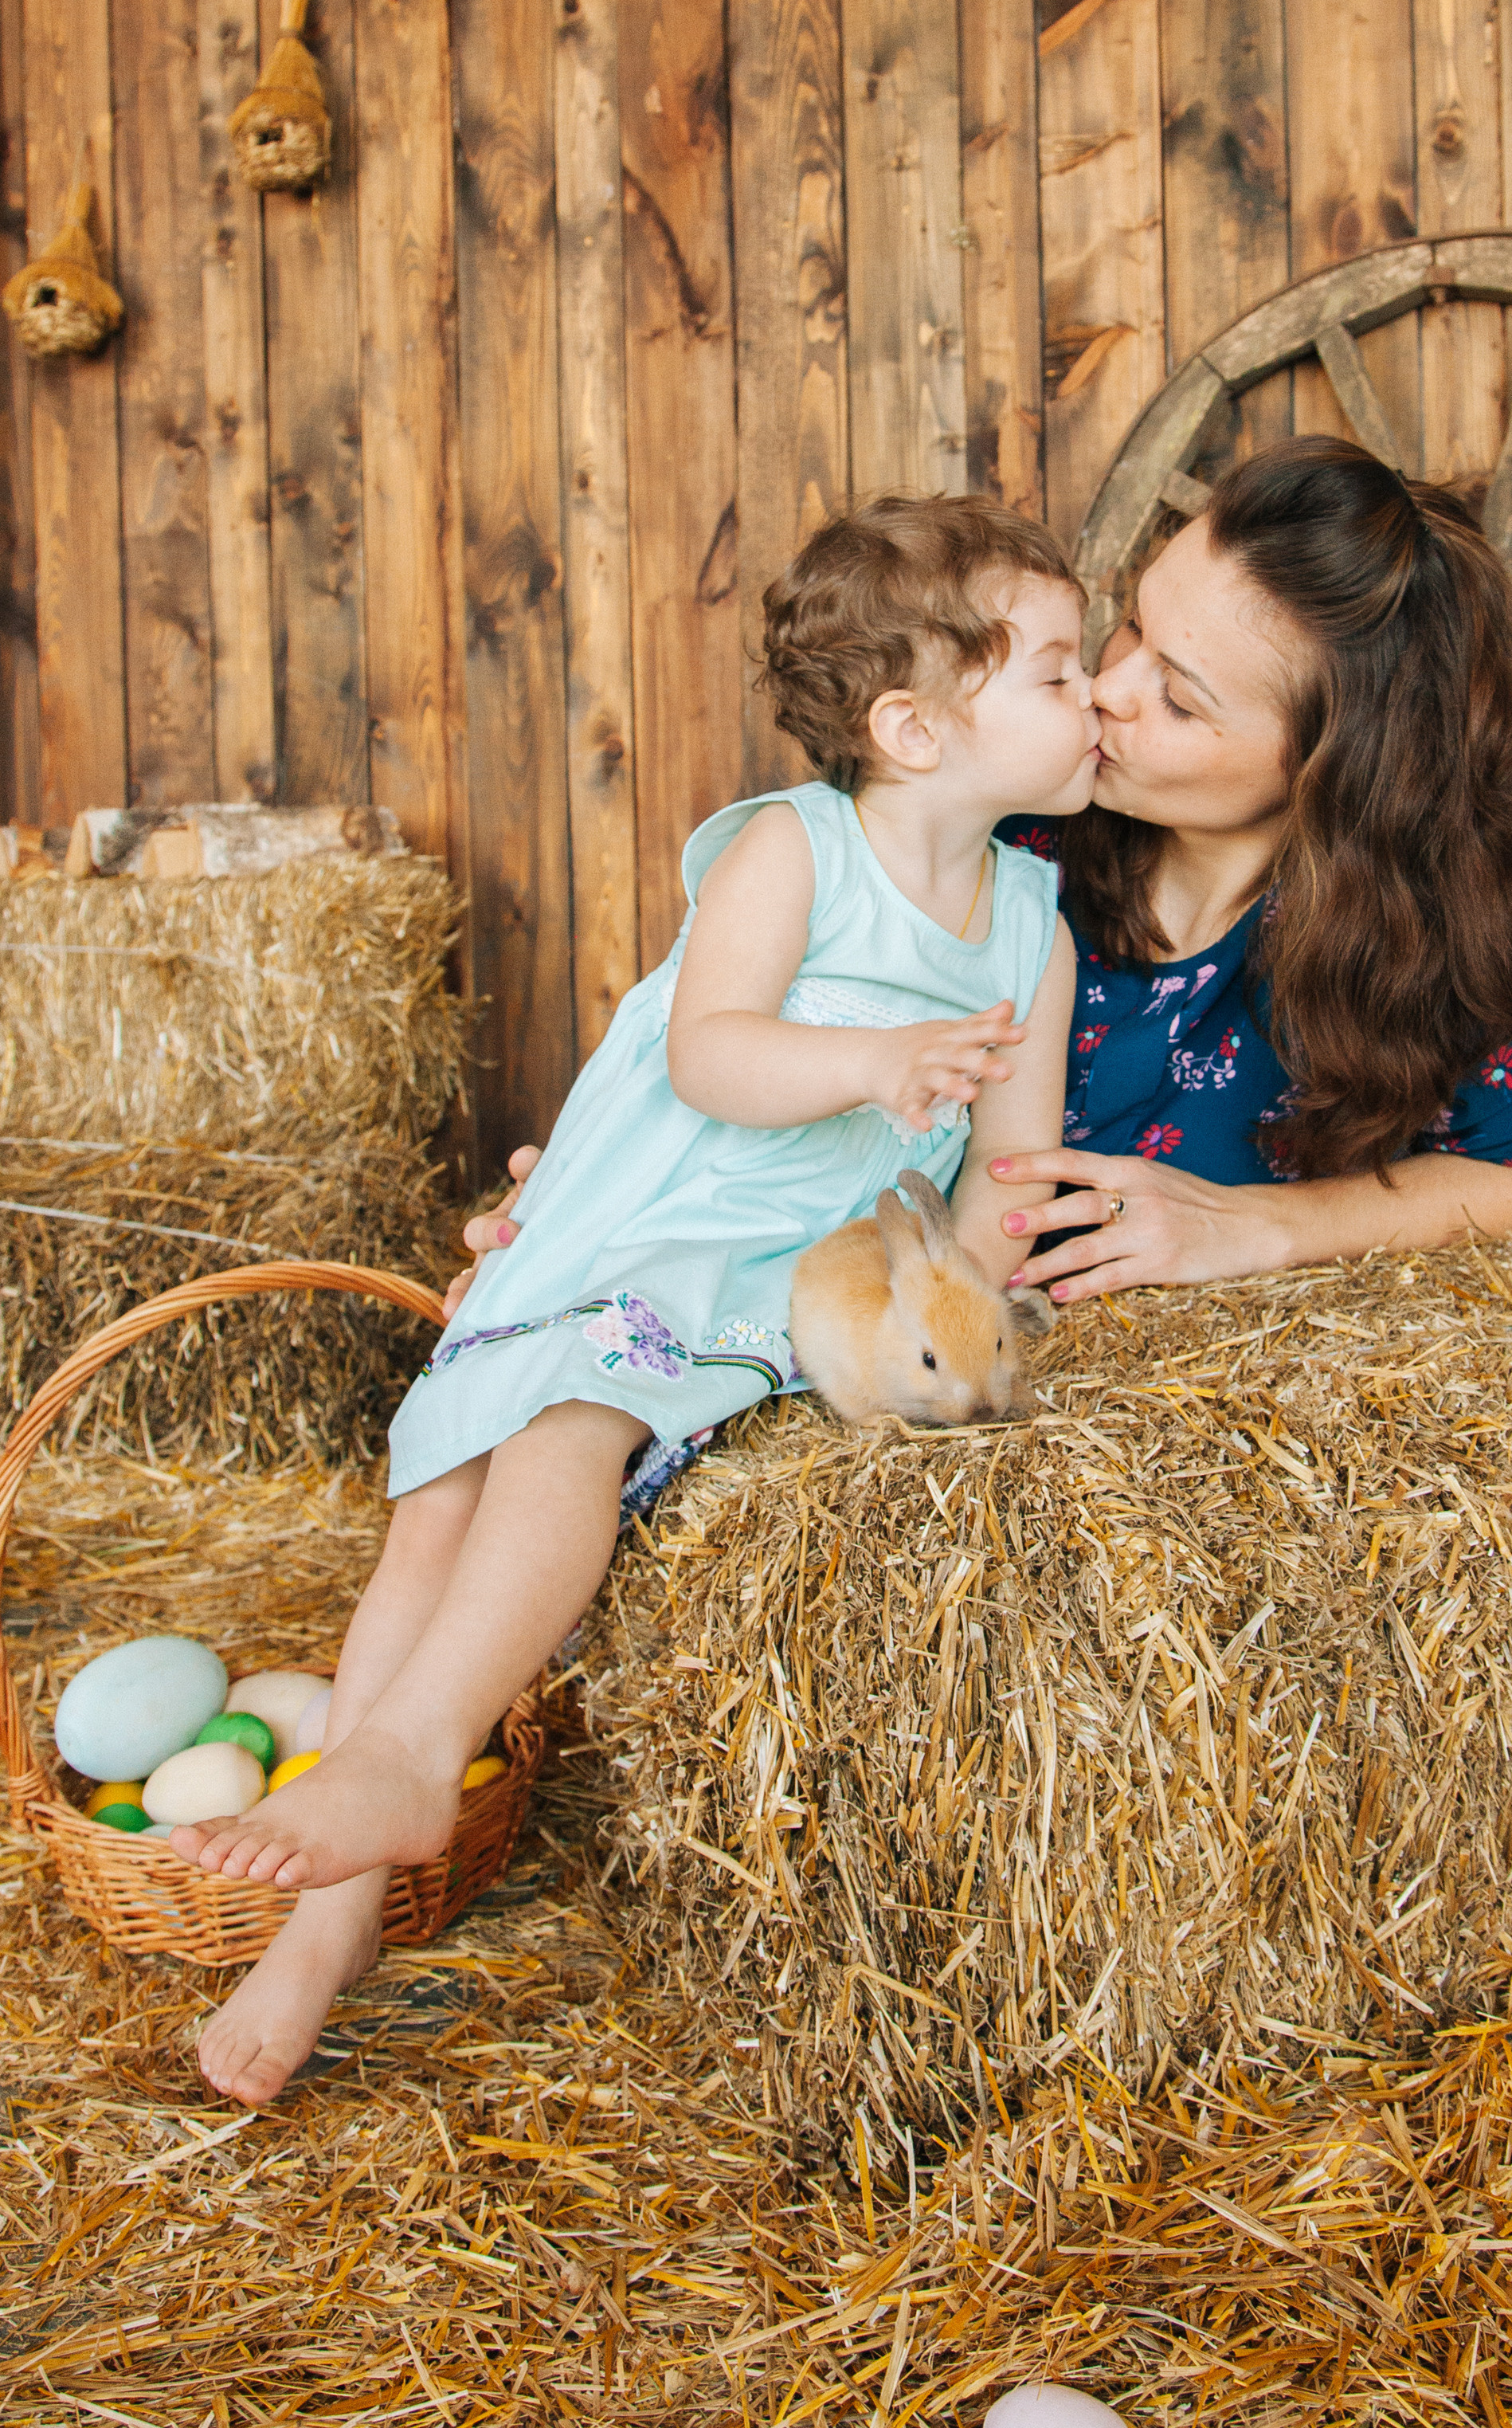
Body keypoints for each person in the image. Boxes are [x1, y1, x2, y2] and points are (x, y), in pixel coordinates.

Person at [181, 496, 1100, 2105]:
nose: (1097, 700)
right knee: (437, 1502)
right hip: (640, 1217)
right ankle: (326, 1913)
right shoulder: (793, 849)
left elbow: (1006, 1177)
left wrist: (936, 1323)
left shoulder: (1031, 927)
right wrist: (880, 1062)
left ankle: (402, 1763)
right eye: (1060, 672)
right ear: (917, 727)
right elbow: (712, 1054)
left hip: (765, 1269)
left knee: (568, 1435)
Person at [459, 438, 1512, 1321]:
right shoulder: (1004, 835)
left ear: (1334, 772)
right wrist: (593, 1213)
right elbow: (735, 1039)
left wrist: (1260, 1228)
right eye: (1132, 630)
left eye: (1182, 698)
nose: (1108, 692)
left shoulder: (1456, 930)